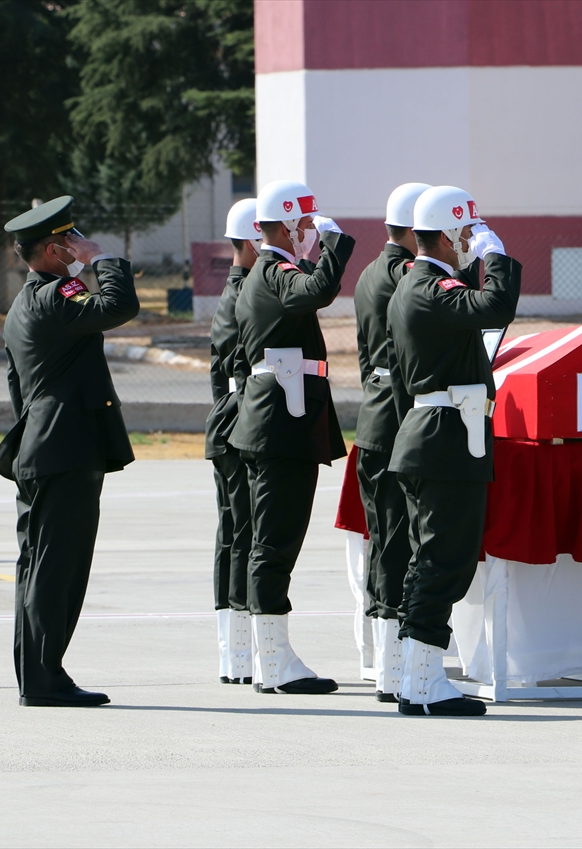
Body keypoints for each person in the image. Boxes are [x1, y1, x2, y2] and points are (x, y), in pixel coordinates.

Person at [0, 195, 138, 707]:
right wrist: (102, 259)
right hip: (65, 449)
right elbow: (118, 306)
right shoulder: (55, 296)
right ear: (56, 248)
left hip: (45, 447)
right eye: (71, 241)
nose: (78, 247)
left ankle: (39, 675)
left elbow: (18, 388)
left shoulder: (32, 300)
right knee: (58, 568)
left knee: (41, 567)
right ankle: (43, 679)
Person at [387, 185, 521, 717]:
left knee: (435, 558)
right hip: (445, 438)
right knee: (443, 559)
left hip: (436, 434)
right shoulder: (427, 287)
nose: (471, 241)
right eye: (466, 233)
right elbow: (496, 304)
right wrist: (496, 256)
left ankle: (415, 675)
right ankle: (422, 681)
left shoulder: (417, 285)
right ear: (446, 235)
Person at [228, 179, 355, 695]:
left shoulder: (272, 272)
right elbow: (318, 290)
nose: (310, 233)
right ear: (285, 225)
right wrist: (336, 244)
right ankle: (275, 661)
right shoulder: (276, 271)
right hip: (280, 424)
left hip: (278, 420)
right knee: (275, 542)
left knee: (273, 541)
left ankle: (272, 657)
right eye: (305, 224)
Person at [354, 182, 431, 702]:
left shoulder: (367, 271)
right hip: (397, 419)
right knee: (395, 543)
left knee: (385, 539)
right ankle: (392, 667)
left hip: (373, 418)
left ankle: (388, 663)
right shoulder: (406, 274)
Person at [206, 197, 260, 685]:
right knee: (241, 536)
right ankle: (240, 653)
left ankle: (235, 653)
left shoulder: (237, 290)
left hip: (227, 423)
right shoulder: (243, 293)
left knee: (234, 536)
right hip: (236, 426)